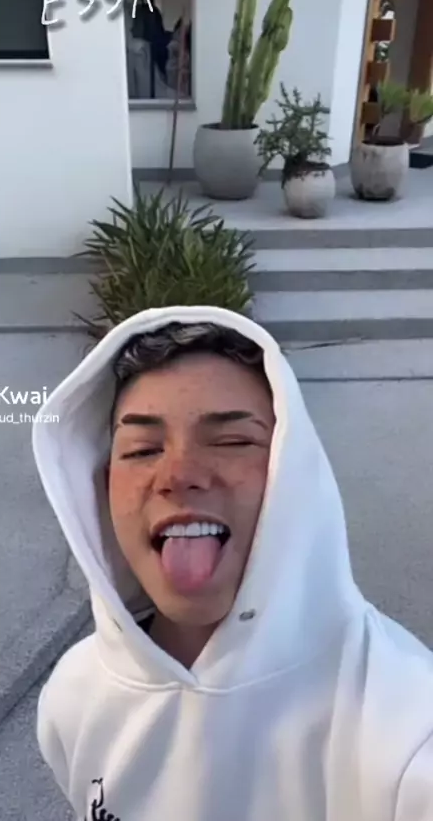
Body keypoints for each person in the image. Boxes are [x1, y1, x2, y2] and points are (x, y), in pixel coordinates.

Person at [32, 305, 433, 821]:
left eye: (232, 441)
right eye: (142, 450)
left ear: (295, 471)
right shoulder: (73, 695)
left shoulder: (407, 732)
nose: (179, 475)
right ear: (102, 487)